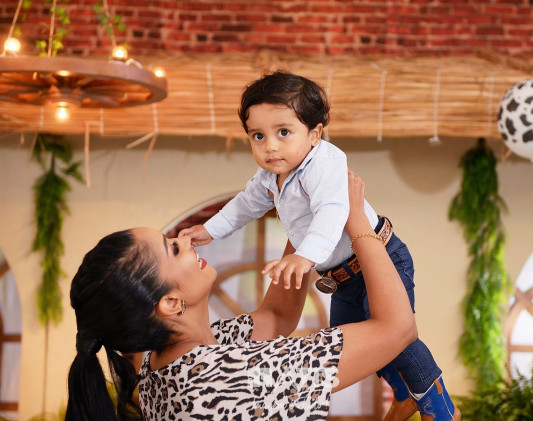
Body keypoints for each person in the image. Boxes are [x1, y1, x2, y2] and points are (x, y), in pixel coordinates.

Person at [179, 71, 460, 421]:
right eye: (258, 135)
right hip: (340, 277)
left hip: (380, 257)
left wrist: (304, 256)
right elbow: (244, 206)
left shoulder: (324, 164)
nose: (270, 146)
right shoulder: (270, 176)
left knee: (398, 338)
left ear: (314, 134)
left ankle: (440, 407)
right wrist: (210, 230)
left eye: (283, 132)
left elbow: (331, 212)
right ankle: (404, 394)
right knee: (357, 339)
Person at [65, 171, 417, 421]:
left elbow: (276, 316)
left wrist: (301, 215)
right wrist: (356, 221)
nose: (184, 239)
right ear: (170, 303)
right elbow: (397, 329)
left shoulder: (170, 362)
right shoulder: (227, 377)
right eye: (173, 249)